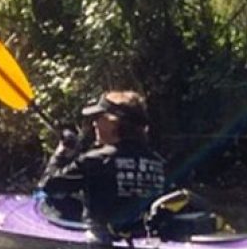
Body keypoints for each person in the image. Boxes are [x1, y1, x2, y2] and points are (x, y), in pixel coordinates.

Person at [38, 90, 166, 240]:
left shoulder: (95, 160)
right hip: (142, 237)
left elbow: (49, 186)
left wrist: (61, 153)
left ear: (114, 121)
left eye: (98, 118)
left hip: (100, 244)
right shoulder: (158, 162)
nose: (94, 124)